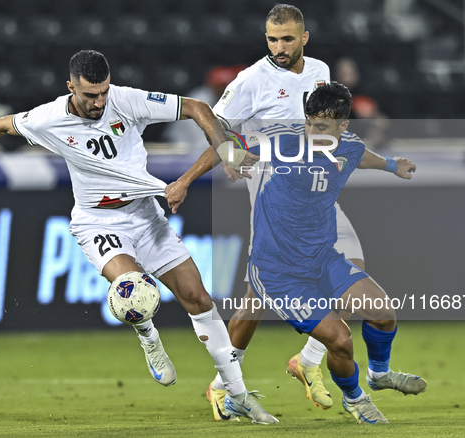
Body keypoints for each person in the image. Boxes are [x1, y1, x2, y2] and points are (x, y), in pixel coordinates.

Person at [0, 49, 277, 425]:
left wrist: (226, 151)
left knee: (199, 298)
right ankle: (148, 335)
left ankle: (237, 393)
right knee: (134, 288)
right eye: (89, 95)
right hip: (97, 223)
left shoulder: (126, 101)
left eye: (103, 93)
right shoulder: (48, 118)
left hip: (145, 217)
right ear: (70, 87)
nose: (98, 102)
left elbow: (196, 107)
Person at [165, 4, 416, 421]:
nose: (278, 47)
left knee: (349, 265)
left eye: (286, 39)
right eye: (271, 39)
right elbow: (219, 132)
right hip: (270, 187)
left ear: (304, 38)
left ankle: (310, 358)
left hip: (317, 192)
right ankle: (229, 380)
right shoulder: (250, 81)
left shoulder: (319, 70)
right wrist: (190, 178)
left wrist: (388, 163)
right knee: (258, 296)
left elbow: (336, 131)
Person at [163, 65, 246, 155]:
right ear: (211, 86)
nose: (223, 90)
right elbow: (203, 146)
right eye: (219, 86)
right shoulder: (199, 101)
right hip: (182, 151)